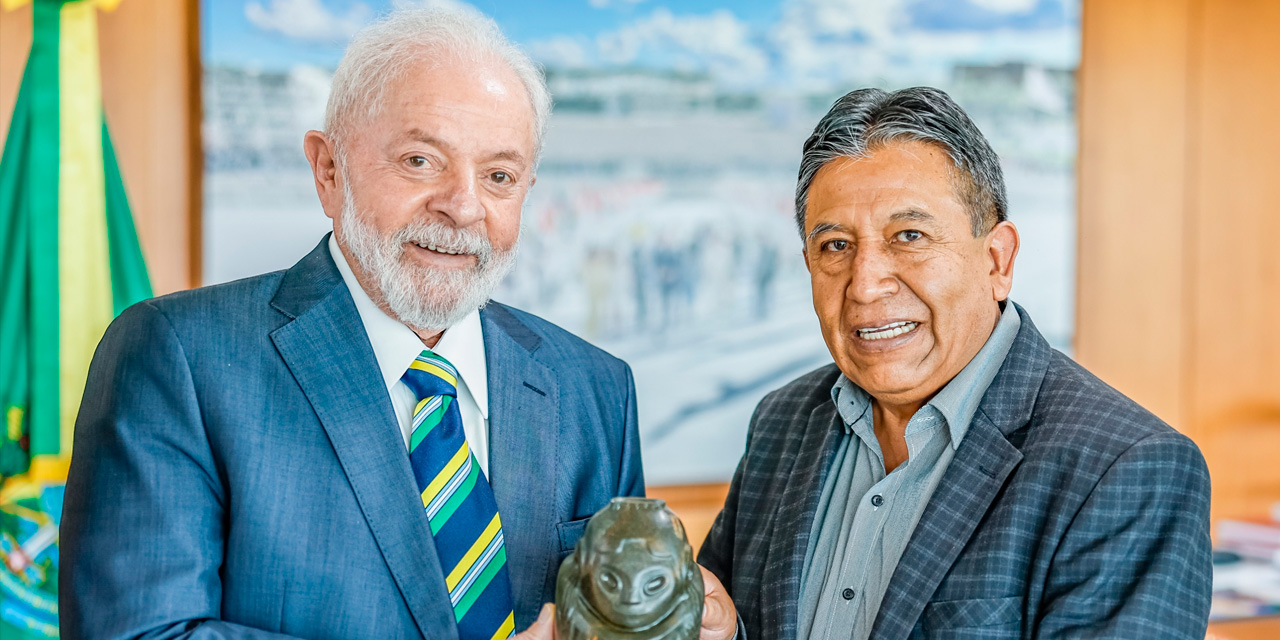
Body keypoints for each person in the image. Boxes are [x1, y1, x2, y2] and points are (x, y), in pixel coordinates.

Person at [59, 8, 738, 640]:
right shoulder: (177, 358)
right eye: (421, 161)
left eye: (499, 175)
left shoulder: (594, 387)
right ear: (329, 170)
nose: (463, 207)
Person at [697, 87, 1212, 639]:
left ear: (997, 260)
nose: (865, 285)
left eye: (909, 236)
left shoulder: (1128, 470)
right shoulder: (781, 421)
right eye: (836, 246)